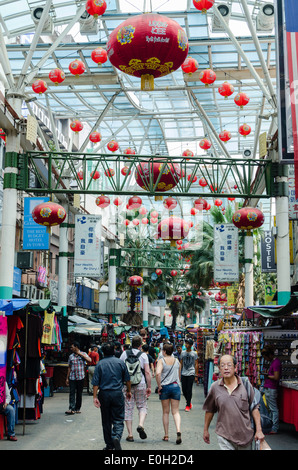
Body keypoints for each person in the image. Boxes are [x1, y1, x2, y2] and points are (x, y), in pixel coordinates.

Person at [203, 354, 264, 450]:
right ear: (219, 368)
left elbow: (255, 408)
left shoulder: (245, 385)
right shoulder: (215, 387)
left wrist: (259, 430)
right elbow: (209, 410)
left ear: (235, 367)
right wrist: (205, 430)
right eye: (222, 366)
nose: (226, 368)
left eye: (229, 365)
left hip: (246, 436)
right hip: (224, 436)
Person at [92, 342, 131, 451]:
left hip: (104, 394)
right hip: (117, 393)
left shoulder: (100, 364)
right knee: (118, 418)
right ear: (114, 351)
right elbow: (127, 379)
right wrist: (128, 391)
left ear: (102, 352)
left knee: (106, 421)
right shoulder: (120, 363)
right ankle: (116, 436)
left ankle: (109, 445)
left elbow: (96, 383)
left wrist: (95, 397)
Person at [120, 335, 151, 442]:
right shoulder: (143, 355)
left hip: (127, 384)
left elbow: (120, 369)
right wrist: (149, 386)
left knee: (128, 408)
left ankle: (130, 434)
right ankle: (140, 424)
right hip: (140, 383)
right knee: (142, 405)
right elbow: (147, 372)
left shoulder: (124, 354)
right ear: (140, 344)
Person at [155, 342, 182, 444]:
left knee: (165, 412)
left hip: (165, 387)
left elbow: (158, 373)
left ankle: (166, 435)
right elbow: (179, 376)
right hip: (175, 386)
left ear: (165, 351)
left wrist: (159, 385)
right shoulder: (177, 361)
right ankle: (178, 430)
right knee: (176, 412)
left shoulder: (161, 361)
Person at [65, 341, 91, 415]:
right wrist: (67, 378)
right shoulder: (71, 356)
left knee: (79, 393)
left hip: (80, 377)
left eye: (72, 347)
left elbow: (89, 360)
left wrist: (80, 354)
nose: (71, 348)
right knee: (72, 393)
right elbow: (69, 367)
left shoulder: (83, 354)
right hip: (72, 377)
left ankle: (77, 408)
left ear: (76, 347)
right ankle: (72, 408)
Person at [262, 345, 282, 434]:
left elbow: (276, 377)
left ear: (269, 355)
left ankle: (274, 427)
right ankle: (271, 426)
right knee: (270, 408)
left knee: (273, 409)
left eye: (265, 357)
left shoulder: (276, 363)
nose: (265, 359)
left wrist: (267, 375)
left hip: (271, 388)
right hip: (269, 388)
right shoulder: (274, 362)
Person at [179, 338, 198, 411]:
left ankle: (187, 405)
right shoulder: (183, 353)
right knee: (184, 389)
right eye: (185, 343)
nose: (186, 345)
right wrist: (179, 373)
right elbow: (181, 363)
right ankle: (188, 401)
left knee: (189, 389)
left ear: (191, 345)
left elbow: (196, 364)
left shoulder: (194, 353)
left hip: (191, 372)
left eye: (187, 343)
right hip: (184, 373)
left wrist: (196, 374)